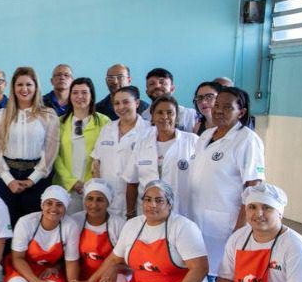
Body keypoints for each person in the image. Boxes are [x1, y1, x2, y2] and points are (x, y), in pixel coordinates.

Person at [189, 87, 264, 282]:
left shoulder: (247, 140)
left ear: (241, 112)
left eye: (227, 107)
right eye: (217, 105)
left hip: (226, 222)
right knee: (199, 270)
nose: (219, 110)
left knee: (220, 273)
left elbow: (253, 186)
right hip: (198, 218)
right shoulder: (206, 136)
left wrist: (240, 228)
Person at [0, 66, 60, 226]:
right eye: (20, 84)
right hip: (6, 178)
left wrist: (32, 180)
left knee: (33, 227)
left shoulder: (48, 115)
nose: (24, 89)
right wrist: (9, 180)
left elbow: (51, 152)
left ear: (36, 87)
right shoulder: (0, 116)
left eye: (29, 84)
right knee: (6, 227)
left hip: (37, 178)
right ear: (13, 88)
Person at [3, 185, 79, 282]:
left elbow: (71, 262)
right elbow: (17, 258)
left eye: (59, 204)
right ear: (42, 205)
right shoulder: (26, 222)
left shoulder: (70, 226)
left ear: (66, 208)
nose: (53, 209)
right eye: (49, 203)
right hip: (24, 266)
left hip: (50, 269)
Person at [60, 179, 127, 282]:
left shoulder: (119, 224)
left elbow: (127, 262)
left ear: (108, 202)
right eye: (90, 199)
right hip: (82, 277)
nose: (94, 205)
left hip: (112, 275)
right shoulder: (75, 221)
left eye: (100, 200)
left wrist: (114, 268)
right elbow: (70, 259)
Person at [124, 95, 197, 218]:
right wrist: (130, 213)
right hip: (147, 213)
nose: (165, 117)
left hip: (180, 212)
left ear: (177, 116)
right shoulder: (142, 144)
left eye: (170, 113)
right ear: (152, 116)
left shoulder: (192, 141)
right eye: (159, 112)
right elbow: (132, 182)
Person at [53, 77, 111, 213]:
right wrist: (71, 182)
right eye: (75, 92)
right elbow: (54, 156)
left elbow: (106, 155)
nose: (80, 96)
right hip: (65, 187)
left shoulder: (104, 122)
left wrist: (91, 183)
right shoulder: (59, 123)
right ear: (69, 96)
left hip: (93, 188)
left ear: (91, 96)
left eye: (84, 92)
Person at [90, 86, 151, 216]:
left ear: (137, 103)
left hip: (137, 202)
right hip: (108, 201)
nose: (121, 107)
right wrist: (99, 192)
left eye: (126, 102)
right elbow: (96, 163)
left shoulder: (149, 131)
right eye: (116, 103)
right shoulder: (107, 129)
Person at [140, 68, 198, 132]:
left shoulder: (188, 114)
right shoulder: (143, 117)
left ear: (172, 89)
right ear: (147, 91)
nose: (157, 86)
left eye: (162, 82)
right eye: (151, 84)